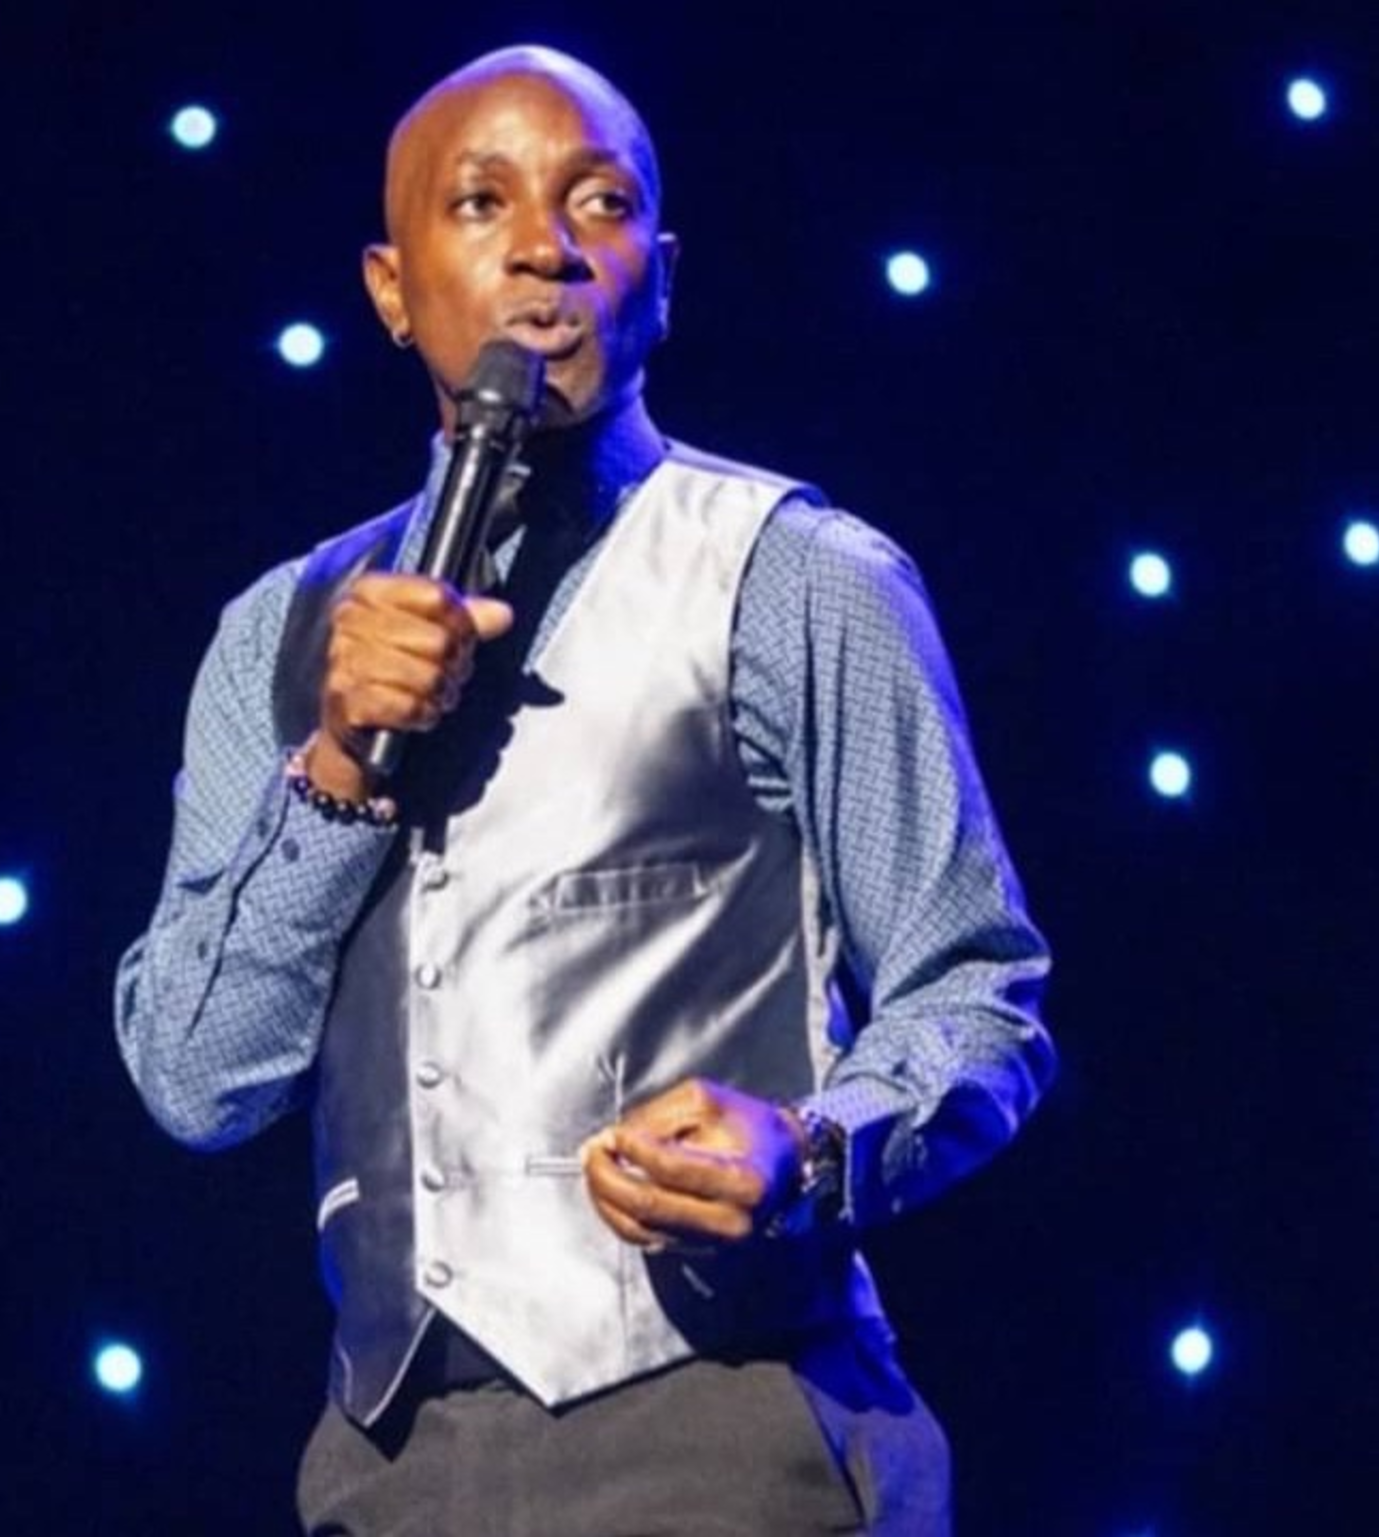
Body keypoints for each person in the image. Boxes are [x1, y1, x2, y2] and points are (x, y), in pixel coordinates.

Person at [115, 44, 1054, 1536]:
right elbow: (193, 1075)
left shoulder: (797, 577)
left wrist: (813, 1147)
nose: (546, 247)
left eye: (600, 204)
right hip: (390, 1463)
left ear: (660, 280)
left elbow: (977, 990)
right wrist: (339, 763)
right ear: (390, 289)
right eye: (479, 203)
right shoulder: (276, 638)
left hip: (721, 1422)